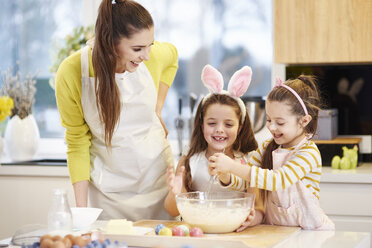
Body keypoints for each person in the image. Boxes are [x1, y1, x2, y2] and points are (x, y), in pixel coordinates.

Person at [55, 0, 178, 220]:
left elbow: (173, 57)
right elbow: (77, 142)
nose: (147, 55)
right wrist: (82, 213)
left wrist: (157, 109)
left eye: (150, 45)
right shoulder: (72, 72)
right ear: (110, 42)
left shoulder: (151, 58)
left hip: (157, 182)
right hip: (108, 191)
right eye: (138, 49)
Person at [208, 75, 335, 230]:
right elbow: (246, 181)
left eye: (280, 122)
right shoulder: (268, 147)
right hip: (276, 229)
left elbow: (277, 180)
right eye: (268, 120)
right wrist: (225, 174)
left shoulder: (308, 153)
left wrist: (232, 166)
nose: (272, 127)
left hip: (310, 233)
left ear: (304, 121)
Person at [164, 64, 264, 229]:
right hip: (199, 236)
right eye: (212, 123)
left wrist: (253, 218)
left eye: (228, 124)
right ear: (202, 125)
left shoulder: (249, 161)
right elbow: (172, 210)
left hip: (236, 236)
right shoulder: (190, 159)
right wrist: (175, 193)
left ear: (240, 127)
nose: (219, 129)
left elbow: (259, 208)